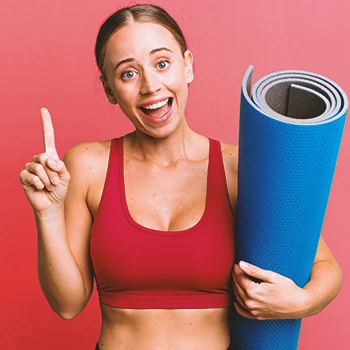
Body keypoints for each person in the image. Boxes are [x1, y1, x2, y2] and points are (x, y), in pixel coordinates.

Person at [19, 4, 342, 350]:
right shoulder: (87, 165)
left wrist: (299, 303)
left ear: (187, 65)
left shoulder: (239, 167)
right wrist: (47, 213)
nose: (150, 86)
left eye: (162, 64)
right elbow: (68, 305)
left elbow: (326, 268)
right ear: (110, 89)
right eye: (128, 73)